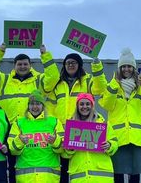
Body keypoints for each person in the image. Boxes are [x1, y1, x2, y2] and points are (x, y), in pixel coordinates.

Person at [0, 43, 59, 183]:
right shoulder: (3, 80)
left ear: (30, 65)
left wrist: (45, 55)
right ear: (14, 66)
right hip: (7, 129)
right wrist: (0, 51)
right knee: (5, 166)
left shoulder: (38, 81)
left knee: (25, 165)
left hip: (29, 127)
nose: (22, 67)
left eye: (25, 64)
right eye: (19, 64)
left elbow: (53, 77)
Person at [99, 48, 141, 183]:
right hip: (117, 137)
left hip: (137, 137)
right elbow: (106, 104)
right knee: (117, 174)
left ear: (134, 68)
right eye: (123, 66)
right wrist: (114, 84)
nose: (126, 69)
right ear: (119, 69)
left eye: (129, 66)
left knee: (135, 174)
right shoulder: (113, 85)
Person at [45, 53, 107, 183]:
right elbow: (50, 108)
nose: (70, 65)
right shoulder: (58, 84)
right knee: (61, 168)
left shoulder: (88, 80)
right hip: (61, 131)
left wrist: (96, 65)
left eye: (74, 62)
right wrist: (52, 128)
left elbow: (100, 88)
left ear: (79, 65)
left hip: (80, 131)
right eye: (68, 63)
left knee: (77, 167)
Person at [8, 90, 64, 183]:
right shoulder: (19, 122)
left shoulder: (54, 121)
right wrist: (19, 141)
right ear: (28, 106)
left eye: (38, 104)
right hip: (25, 177)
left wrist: (55, 141)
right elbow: (12, 151)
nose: (35, 107)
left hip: (49, 176)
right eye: (32, 104)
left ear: (43, 105)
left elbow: (62, 149)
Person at [62, 93, 118, 183]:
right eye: (81, 104)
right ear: (77, 106)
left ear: (92, 106)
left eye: (88, 104)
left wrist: (109, 145)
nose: (85, 107)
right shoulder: (71, 126)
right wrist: (69, 149)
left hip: (101, 178)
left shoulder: (102, 123)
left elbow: (115, 142)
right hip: (80, 177)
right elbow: (64, 153)